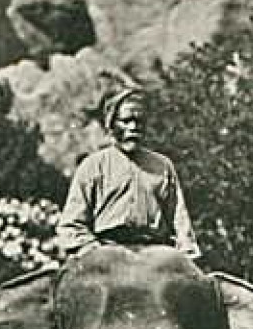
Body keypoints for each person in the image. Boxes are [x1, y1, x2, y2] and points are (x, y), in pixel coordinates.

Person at [55, 87, 201, 259]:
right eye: (126, 120)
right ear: (111, 124)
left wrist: (186, 254)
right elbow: (71, 224)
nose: (133, 127)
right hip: (106, 253)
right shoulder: (93, 166)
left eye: (139, 121)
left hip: (155, 255)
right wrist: (93, 251)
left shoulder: (162, 166)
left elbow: (180, 221)